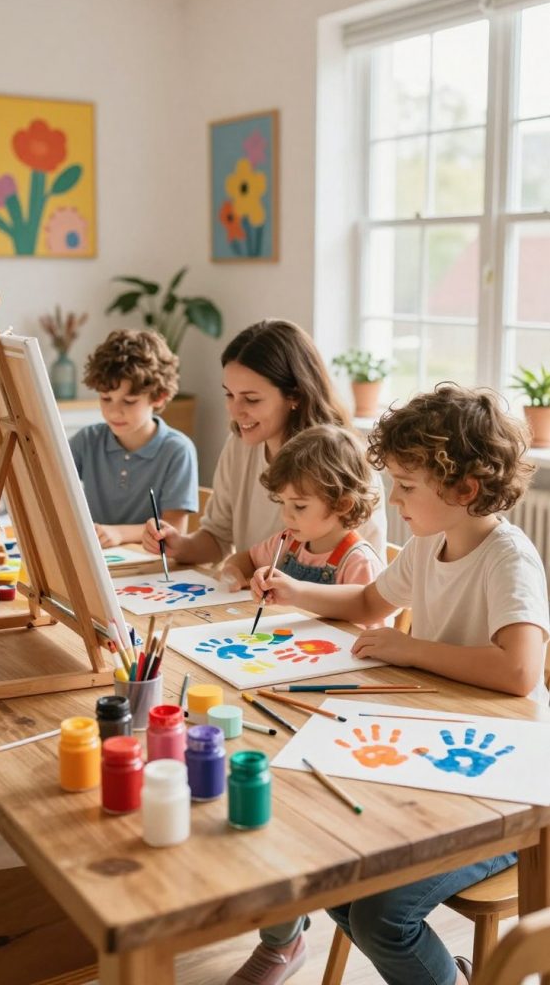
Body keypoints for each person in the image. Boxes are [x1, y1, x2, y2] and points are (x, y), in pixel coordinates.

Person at [240, 382, 549, 985]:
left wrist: (412, 649)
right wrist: (292, 589)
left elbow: (519, 672)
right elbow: (366, 601)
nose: (394, 499)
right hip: (442, 761)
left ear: (463, 490)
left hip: (511, 793)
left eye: (407, 487)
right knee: (333, 872)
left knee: (382, 915)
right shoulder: (430, 543)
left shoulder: (508, 558)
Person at [142, 319, 387, 564]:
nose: (235, 411)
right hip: (254, 600)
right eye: (229, 394)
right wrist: (178, 544)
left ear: (295, 395)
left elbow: (368, 583)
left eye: (251, 399)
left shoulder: (344, 463)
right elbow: (217, 538)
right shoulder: (239, 445)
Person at [69, 329, 198, 548]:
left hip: (147, 566)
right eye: (106, 398)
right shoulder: (87, 440)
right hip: (98, 560)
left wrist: (120, 533)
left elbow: (173, 529)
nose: (113, 412)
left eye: (129, 401)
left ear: (159, 397)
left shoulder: (177, 450)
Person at [222, 424, 384, 592]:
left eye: (299, 506)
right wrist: (233, 572)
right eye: (282, 503)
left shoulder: (359, 563)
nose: (286, 516)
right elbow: (246, 560)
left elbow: (366, 615)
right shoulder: (287, 542)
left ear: (342, 504)